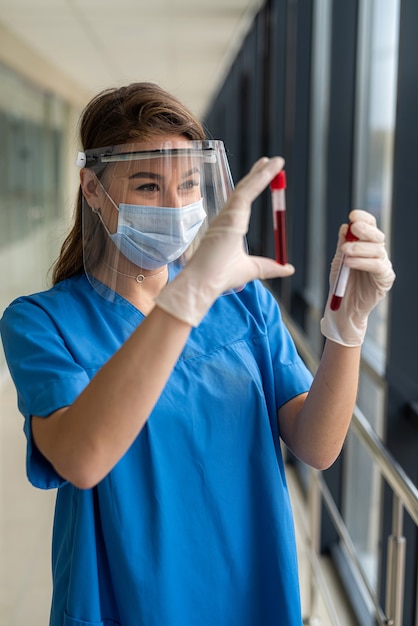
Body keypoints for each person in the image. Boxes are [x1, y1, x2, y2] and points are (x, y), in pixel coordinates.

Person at [0, 82, 395, 626]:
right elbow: (82, 459)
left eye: (189, 185)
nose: (176, 207)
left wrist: (347, 328)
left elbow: (318, 445)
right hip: (127, 605)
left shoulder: (241, 298)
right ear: (92, 189)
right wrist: (187, 298)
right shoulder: (41, 322)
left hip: (252, 594)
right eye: (147, 186)